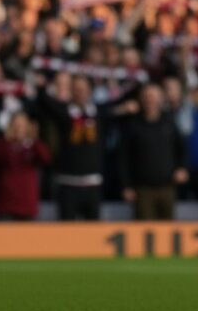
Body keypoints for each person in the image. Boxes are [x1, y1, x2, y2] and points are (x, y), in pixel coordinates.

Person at [37, 74, 137, 221]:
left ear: (90, 91)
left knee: (92, 233)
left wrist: (135, 82)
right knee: (66, 234)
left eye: (83, 89)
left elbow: (118, 102)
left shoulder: (98, 112)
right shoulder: (64, 112)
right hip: (67, 183)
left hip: (93, 184)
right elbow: (45, 101)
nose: (80, 93)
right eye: (76, 89)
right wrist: (41, 86)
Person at [118, 84, 188, 220]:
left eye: (154, 97)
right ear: (141, 99)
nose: (150, 101)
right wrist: (126, 186)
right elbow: (123, 158)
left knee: (168, 232)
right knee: (145, 230)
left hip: (167, 186)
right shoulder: (132, 125)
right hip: (143, 189)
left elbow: (182, 148)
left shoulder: (169, 122)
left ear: (161, 99)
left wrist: (183, 167)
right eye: (147, 97)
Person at [0, 113, 51, 220]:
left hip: (27, 203)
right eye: (15, 125)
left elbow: (45, 158)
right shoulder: (3, 144)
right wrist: (7, 140)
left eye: (22, 125)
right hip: (6, 203)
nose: (18, 129)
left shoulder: (32, 145)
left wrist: (34, 139)